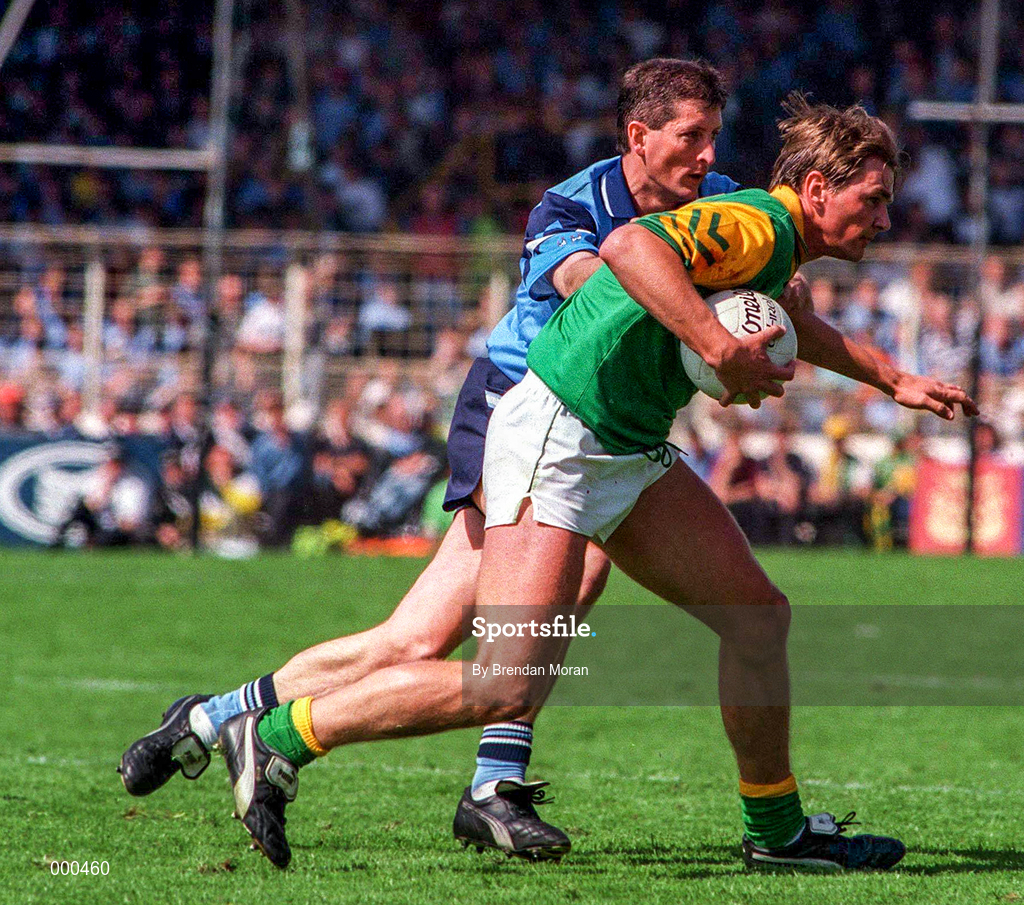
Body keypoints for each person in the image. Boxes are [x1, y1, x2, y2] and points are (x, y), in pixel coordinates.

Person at [202, 95, 976, 871]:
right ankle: (273, 734)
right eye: (871, 199)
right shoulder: (758, 224)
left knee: (756, 619)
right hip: (560, 434)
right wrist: (715, 342)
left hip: (626, 448)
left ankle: (776, 833)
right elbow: (633, 247)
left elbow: (793, 319)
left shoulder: (767, 242)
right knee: (504, 680)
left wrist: (896, 379)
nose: (882, 218)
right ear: (815, 190)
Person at [118, 59, 809, 861]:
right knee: (505, 608)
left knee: (417, 636)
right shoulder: (570, 206)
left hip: (590, 429)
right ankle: (482, 785)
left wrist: (779, 295)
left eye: (713, 137)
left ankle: (208, 720)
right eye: (690, 136)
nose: (705, 154)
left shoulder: (715, 198)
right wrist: (711, 309)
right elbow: (602, 286)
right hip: (515, 409)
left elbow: (745, 279)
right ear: (638, 136)